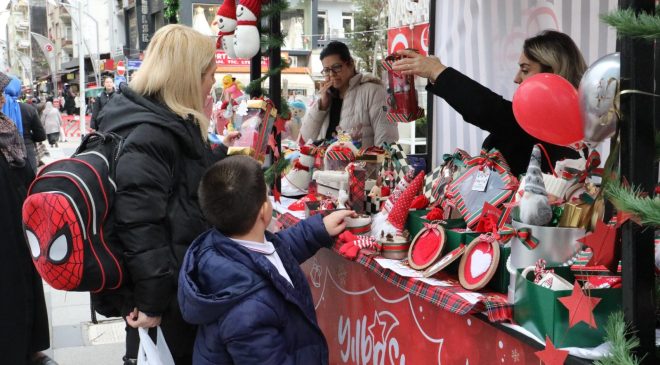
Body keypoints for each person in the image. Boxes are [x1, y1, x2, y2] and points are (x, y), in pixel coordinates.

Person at [93, 24, 240, 365]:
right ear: (188, 76)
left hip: (175, 288)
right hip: (164, 302)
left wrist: (219, 158)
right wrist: (151, 303)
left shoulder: (162, 120)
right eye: (210, 74)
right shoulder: (150, 132)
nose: (214, 83)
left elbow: (180, 181)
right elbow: (140, 225)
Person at [178, 155, 354, 364]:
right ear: (264, 211)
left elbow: (279, 250)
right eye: (268, 195)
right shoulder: (249, 312)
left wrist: (318, 229)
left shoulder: (224, 245)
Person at [393, 30, 586, 177]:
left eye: (525, 70)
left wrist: (438, 72)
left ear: (551, 73)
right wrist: (437, 73)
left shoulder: (552, 130)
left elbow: (488, 109)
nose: (516, 78)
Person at [0, 72, 57, 365]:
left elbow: (24, 176)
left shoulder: (6, 129)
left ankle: (28, 349)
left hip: (17, 231)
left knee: (21, 288)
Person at [301, 41, 398, 147]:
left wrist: (371, 163)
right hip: (326, 163)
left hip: (362, 163)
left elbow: (387, 140)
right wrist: (322, 106)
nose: (332, 74)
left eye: (337, 67)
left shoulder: (374, 91)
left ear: (351, 64)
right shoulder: (327, 98)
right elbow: (306, 138)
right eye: (327, 70)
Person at [19, 99, 47, 173]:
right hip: (26, 151)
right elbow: (41, 135)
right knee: (30, 182)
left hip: (3, 156)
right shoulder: (28, 109)